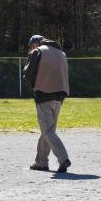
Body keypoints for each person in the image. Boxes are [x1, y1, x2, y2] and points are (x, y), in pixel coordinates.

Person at [23, 35, 71, 173]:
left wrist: (33, 85)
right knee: (49, 130)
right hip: (60, 95)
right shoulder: (61, 53)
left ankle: (63, 159)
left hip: (44, 93)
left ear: (35, 43)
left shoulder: (38, 51)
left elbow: (28, 73)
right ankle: (41, 161)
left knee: (47, 131)